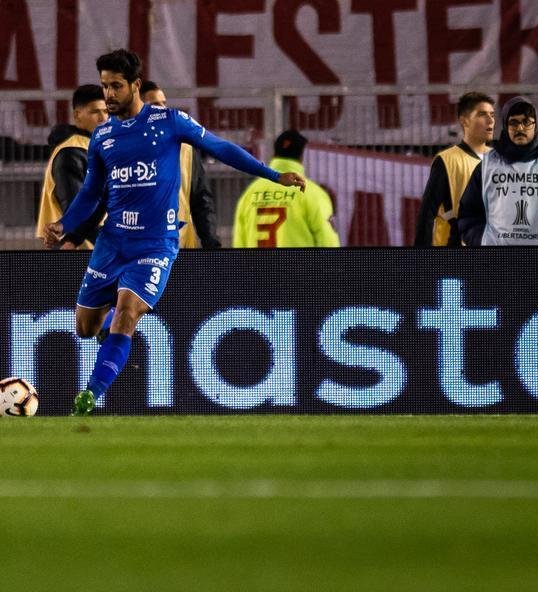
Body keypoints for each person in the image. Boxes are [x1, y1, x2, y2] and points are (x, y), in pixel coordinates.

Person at [43, 49, 306, 414]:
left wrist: (274, 175)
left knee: (127, 311)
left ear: (136, 85)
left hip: (155, 243)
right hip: (112, 241)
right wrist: (63, 224)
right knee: (85, 328)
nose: (109, 95)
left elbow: (221, 147)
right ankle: (104, 332)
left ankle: (90, 394)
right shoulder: (103, 137)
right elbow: (90, 194)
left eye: (116, 86)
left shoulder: (169, 121)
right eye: (105, 87)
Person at [458, 96, 538, 245]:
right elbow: (468, 214)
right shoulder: (487, 165)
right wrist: (483, 242)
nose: (520, 128)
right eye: (514, 122)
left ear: (535, 124)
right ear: (506, 126)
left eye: (526, 122)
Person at [139, 81, 219, 249]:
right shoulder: (122, 147)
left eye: (164, 104)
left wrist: (210, 241)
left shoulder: (187, 149)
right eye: (154, 104)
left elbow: (201, 199)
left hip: (182, 245)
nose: (163, 109)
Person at [232, 129, 339, 248]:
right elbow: (327, 240)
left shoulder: (250, 193)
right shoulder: (313, 193)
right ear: (301, 156)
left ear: (274, 154)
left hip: (257, 266)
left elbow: (239, 242)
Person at [414, 91, 495, 246]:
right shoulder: (447, 160)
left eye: (492, 114)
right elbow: (427, 213)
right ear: (464, 121)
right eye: (482, 114)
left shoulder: (501, 160)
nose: (490, 120)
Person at [36, 83, 109, 249]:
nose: (103, 118)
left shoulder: (95, 147)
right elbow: (76, 210)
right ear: (77, 115)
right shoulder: (72, 152)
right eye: (95, 112)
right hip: (80, 248)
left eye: (106, 111)